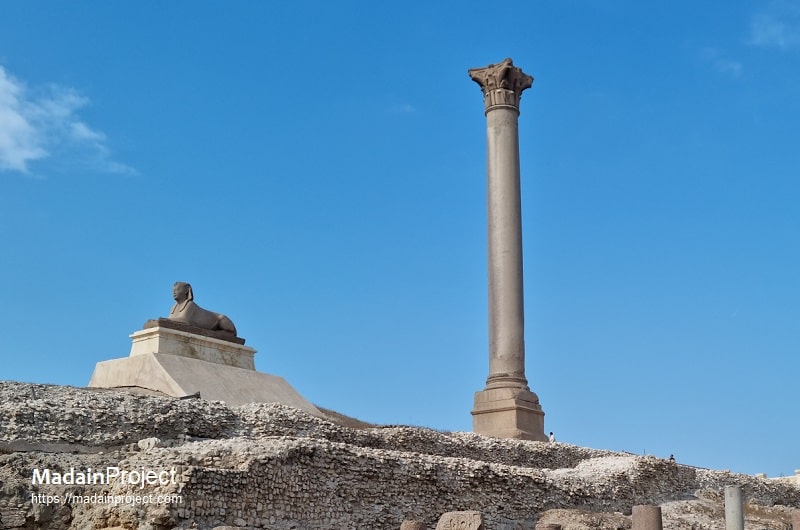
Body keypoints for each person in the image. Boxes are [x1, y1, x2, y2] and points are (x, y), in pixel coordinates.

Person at [169, 282, 237, 335]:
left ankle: (229, 332)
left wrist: (164, 320)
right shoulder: (174, 307)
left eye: (177, 290)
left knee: (222, 318)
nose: (174, 292)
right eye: (173, 290)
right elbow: (172, 320)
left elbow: (184, 320)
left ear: (186, 291)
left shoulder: (190, 305)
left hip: (216, 322)